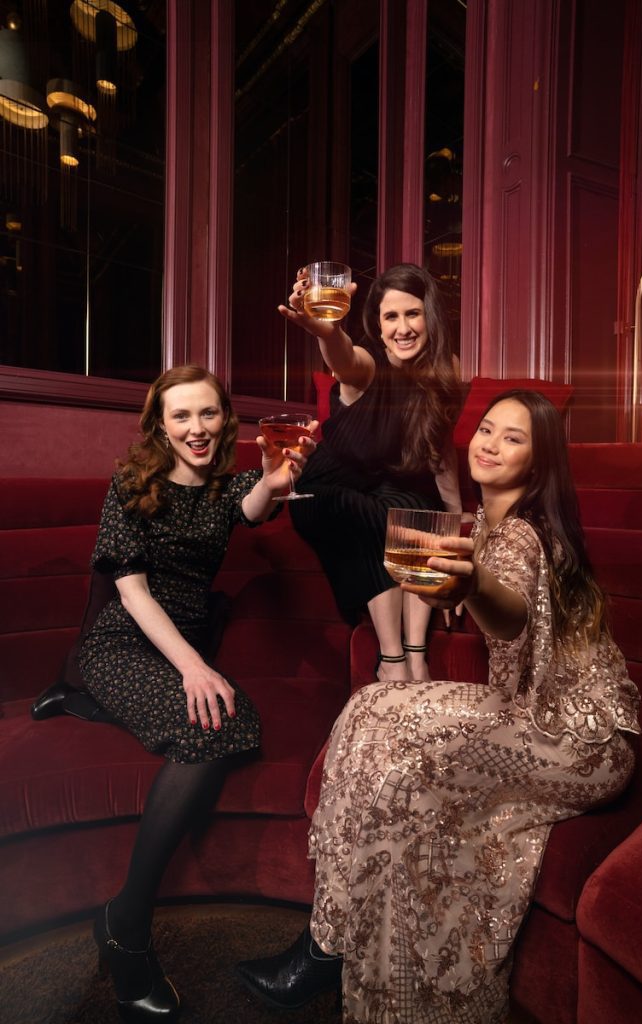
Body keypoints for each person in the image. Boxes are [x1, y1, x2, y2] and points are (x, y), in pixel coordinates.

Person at [236, 390, 641, 1024]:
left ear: (538, 465)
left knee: (402, 776)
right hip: (522, 710)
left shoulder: (522, 538)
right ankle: (327, 941)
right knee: (372, 706)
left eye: (513, 439)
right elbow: (410, 555)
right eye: (486, 429)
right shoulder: (481, 527)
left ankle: (346, 963)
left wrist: (474, 584)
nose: (489, 443)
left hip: (577, 742)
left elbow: (506, 615)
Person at [62, 365, 315, 1022]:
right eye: (181, 416)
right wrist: (193, 670)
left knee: (233, 721)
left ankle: (120, 916)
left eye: (207, 415)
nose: (196, 428)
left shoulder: (226, 487)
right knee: (218, 725)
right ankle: (128, 926)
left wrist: (275, 480)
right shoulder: (131, 486)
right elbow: (132, 593)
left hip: (183, 647)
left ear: (223, 421)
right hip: (127, 642)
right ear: (160, 425)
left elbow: (254, 507)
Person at [280, 262, 462, 683]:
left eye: (412, 314)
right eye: (390, 317)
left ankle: (417, 655)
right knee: (389, 519)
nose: (402, 328)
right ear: (378, 326)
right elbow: (345, 359)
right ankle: (392, 658)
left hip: (385, 488)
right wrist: (326, 331)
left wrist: (456, 517)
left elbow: (439, 449)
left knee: (422, 509)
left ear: (430, 317)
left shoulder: (445, 368)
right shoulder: (368, 367)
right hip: (327, 490)